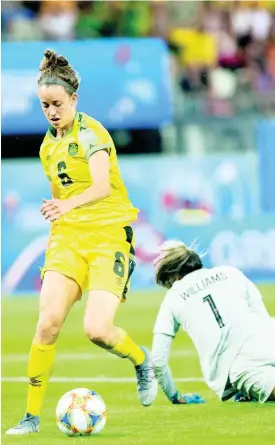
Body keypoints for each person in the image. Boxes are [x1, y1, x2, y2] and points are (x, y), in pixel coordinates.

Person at [6, 49, 157, 436]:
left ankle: (143, 361)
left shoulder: (92, 134)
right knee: (47, 326)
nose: (51, 112)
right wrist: (59, 218)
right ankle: (31, 418)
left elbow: (102, 186)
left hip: (108, 238)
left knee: (96, 329)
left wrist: (66, 204)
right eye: (44, 106)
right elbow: (61, 197)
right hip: (68, 240)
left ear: (73, 99)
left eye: (57, 104)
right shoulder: (47, 146)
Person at [151, 240, 275, 405]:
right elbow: (262, 317)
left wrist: (175, 397)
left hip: (241, 366)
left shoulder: (173, 297)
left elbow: (158, 360)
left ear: (174, 276)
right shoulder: (230, 272)